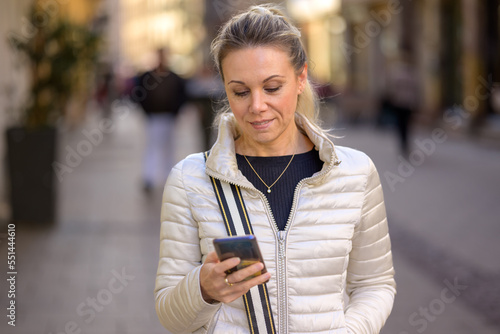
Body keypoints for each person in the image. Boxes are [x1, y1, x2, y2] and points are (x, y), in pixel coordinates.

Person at [155, 4, 396, 334]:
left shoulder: (354, 172)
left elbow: (375, 284)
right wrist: (203, 289)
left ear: (300, 79)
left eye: (272, 88)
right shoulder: (190, 179)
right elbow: (171, 316)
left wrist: (351, 330)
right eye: (240, 91)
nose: (256, 106)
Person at [134, 48, 187, 192]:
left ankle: (169, 178)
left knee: (169, 149)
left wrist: (175, 112)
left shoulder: (174, 77)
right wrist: (146, 111)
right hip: (153, 117)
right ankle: (149, 178)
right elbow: (139, 95)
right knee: (152, 147)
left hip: (169, 117)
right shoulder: (147, 77)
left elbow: (182, 95)